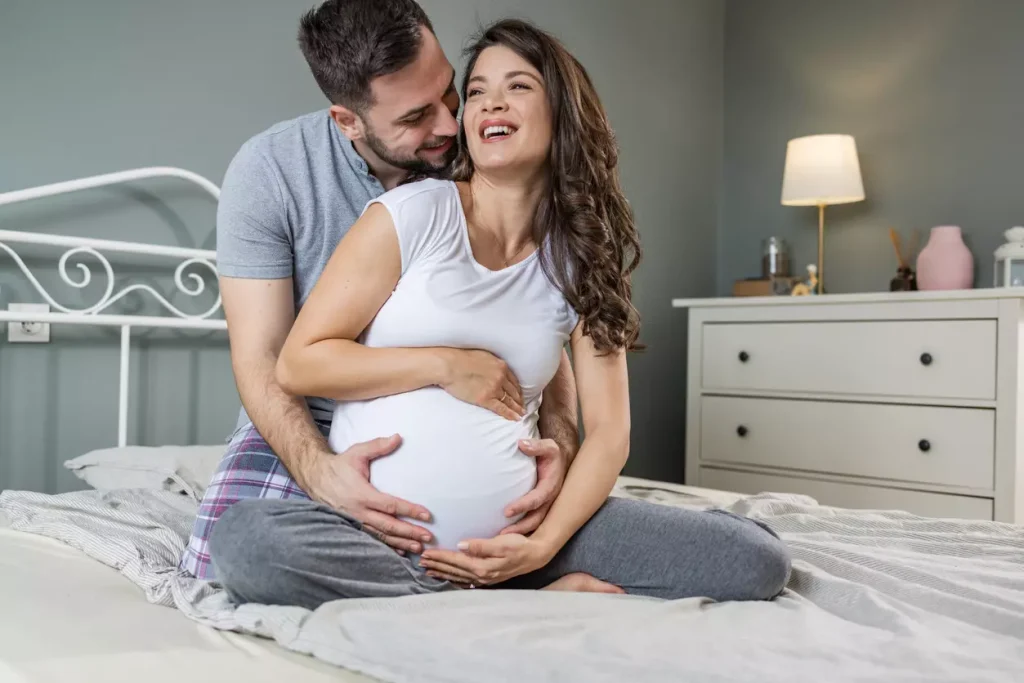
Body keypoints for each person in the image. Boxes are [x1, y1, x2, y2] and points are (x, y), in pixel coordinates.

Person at [204, 14, 792, 608]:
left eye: (460, 92)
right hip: (361, 502)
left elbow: (589, 405)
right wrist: (440, 369)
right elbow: (280, 361)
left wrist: (546, 518)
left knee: (753, 560)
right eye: (476, 91)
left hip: (523, 534)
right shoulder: (378, 203)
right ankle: (507, 596)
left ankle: (495, 583)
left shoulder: (578, 253)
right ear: (350, 121)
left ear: (560, 110)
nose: (459, 117)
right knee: (245, 547)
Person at [179, 0, 579, 581]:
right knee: (229, 564)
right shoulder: (272, 172)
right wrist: (318, 471)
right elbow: (264, 358)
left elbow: (538, 316)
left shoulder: (483, 148)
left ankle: (459, 588)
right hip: (305, 421)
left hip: (487, 436)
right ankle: (460, 595)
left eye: (448, 91)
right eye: (416, 116)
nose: (447, 125)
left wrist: (561, 441)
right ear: (348, 121)